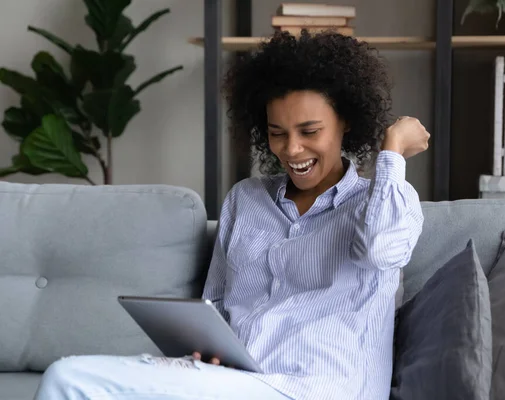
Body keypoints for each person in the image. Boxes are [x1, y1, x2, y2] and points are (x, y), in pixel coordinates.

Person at [33, 30, 429, 400]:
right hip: (231, 382)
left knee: (67, 379)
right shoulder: (246, 199)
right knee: (74, 379)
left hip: (314, 388)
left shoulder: (385, 201)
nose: (291, 149)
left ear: (346, 122)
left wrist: (390, 152)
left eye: (310, 131)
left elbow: (381, 250)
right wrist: (203, 351)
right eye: (278, 132)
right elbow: (216, 306)